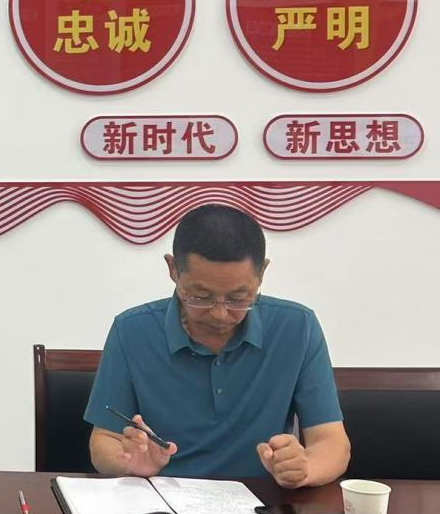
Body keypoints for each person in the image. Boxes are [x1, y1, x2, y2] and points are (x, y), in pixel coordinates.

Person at [85, 203, 350, 488]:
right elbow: (104, 440)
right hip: (163, 499)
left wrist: (303, 469)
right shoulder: (132, 330)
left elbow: (332, 443)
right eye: (201, 297)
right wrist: (130, 463)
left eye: (239, 298)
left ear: (262, 272)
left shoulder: (297, 327)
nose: (220, 314)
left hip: (264, 503)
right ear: (173, 269)